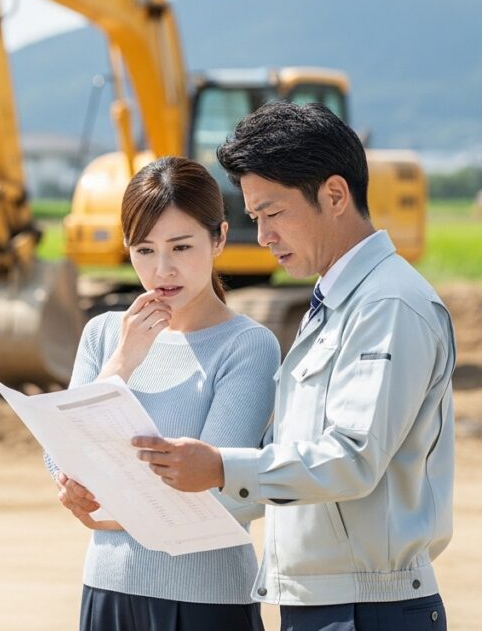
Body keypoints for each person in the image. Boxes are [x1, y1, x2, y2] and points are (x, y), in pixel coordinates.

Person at [133, 101, 456, 630]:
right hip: (323, 603)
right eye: (254, 218)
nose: (262, 237)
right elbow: (289, 460)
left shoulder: (387, 306)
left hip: (366, 610)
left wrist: (218, 468)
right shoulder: (336, 304)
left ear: (333, 194)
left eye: (272, 213)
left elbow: (351, 458)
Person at [51, 156, 280, 630]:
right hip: (107, 587)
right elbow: (59, 461)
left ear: (218, 237)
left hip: (206, 599)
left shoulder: (248, 346)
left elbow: (210, 498)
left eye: (180, 247)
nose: (162, 270)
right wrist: (122, 362)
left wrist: (103, 510)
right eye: (144, 250)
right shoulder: (103, 335)